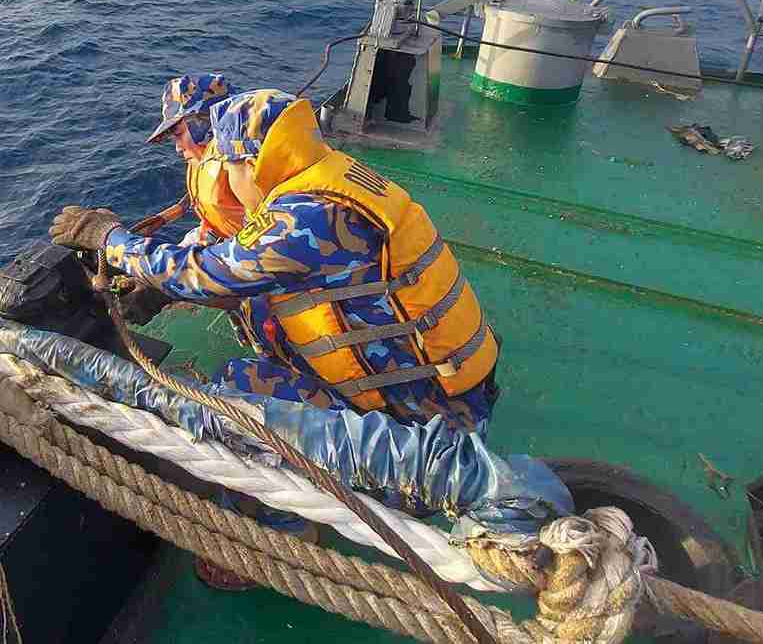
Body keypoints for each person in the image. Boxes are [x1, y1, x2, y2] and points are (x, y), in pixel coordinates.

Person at [51, 88, 500, 585]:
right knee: (256, 344)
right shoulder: (331, 182)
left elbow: (208, 273)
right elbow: (259, 272)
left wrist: (110, 239)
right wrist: (159, 292)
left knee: (231, 410)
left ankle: (284, 541)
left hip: (417, 448)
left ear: (250, 162)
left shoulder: (305, 218)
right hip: (445, 401)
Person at [139, 72, 247, 245]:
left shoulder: (246, 170)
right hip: (214, 236)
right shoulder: (203, 161)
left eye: (179, 134)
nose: (177, 148)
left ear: (204, 124)